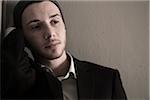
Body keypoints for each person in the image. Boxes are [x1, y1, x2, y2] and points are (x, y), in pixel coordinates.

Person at [1, 0, 127, 99]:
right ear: (23, 37)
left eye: (55, 21)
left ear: (64, 26)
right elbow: (14, 69)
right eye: (36, 26)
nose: (50, 34)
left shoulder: (107, 79)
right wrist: (12, 33)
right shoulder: (19, 82)